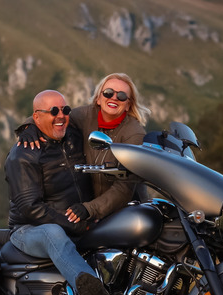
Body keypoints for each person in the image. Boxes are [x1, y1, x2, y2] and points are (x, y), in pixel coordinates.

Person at [5, 90, 116, 295]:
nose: (61, 116)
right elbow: (30, 208)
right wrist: (72, 224)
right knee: (52, 233)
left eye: (65, 110)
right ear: (36, 118)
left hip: (78, 221)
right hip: (30, 229)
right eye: (53, 111)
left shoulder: (74, 136)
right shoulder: (23, 154)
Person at [16, 73, 151, 223]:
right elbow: (56, 117)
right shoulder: (86, 115)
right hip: (94, 215)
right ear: (98, 98)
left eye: (121, 96)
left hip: (127, 212)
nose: (114, 98)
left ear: (128, 104)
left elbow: (124, 188)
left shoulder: (134, 134)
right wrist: (29, 127)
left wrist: (90, 209)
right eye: (108, 93)